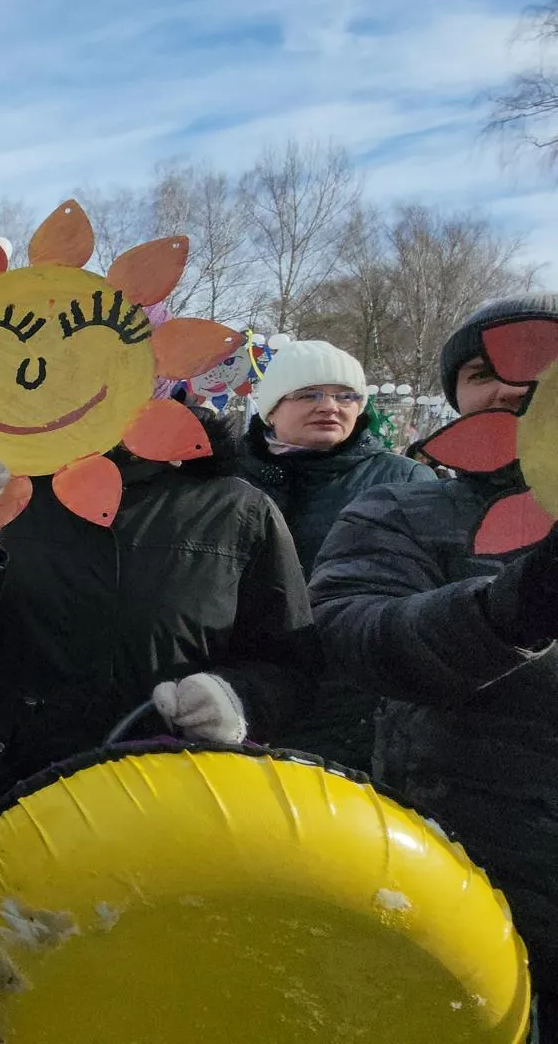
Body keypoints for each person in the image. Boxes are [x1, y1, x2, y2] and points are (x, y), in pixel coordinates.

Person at [0, 398, 316, 1031]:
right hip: (2, 793)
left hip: (163, 813)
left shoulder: (235, 507)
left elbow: (293, 662)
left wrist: (241, 698)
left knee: (128, 1000)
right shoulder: (9, 488)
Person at [309, 294, 558, 1031]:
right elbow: (359, 633)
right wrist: (511, 610)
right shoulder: (403, 511)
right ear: (456, 395)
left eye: (539, 360)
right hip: (466, 876)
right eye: (483, 371)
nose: (511, 386)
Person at [231, 340, 434, 769]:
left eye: (346, 396)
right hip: (232, 688)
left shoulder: (405, 482)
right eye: (309, 394)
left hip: (349, 700)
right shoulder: (226, 476)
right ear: (271, 409)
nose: (330, 406)